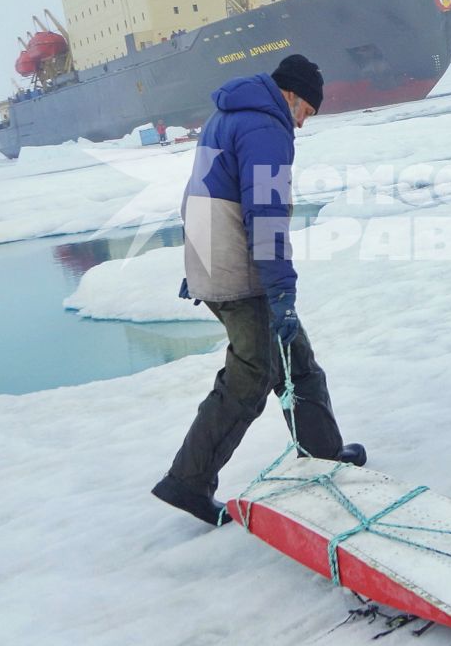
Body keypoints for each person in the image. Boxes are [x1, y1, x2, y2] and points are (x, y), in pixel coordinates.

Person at [152, 53, 364, 526]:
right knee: (253, 374)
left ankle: (323, 456)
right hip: (237, 270)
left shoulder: (227, 116)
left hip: (214, 260)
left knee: (297, 363)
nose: (304, 124)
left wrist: (203, 267)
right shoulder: (265, 128)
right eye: (307, 111)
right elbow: (265, 215)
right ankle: (188, 481)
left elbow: (201, 193)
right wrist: (281, 291)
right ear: (290, 94)